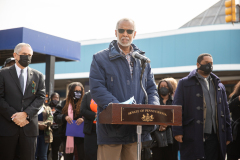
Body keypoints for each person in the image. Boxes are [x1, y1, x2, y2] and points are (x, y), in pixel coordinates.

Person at [89, 18, 159, 160]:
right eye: (122, 30)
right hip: (111, 130)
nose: (125, 34)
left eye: (129, 31)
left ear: (135, 34)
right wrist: (121, 109)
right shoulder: (100, 58)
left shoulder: (143, 60)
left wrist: (154, 109)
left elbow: (151, 88)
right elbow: (97, 88)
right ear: (116, 32)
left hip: (135, 131)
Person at [172, 53, 232, 160]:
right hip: (193, 133)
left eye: (211, 63)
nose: (209, 65)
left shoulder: (219, 85)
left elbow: (225, 111)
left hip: (215, 136)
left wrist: (228, 134)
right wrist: (177, 132)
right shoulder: (184, 83)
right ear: (198, 64)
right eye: (206, 63)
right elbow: (177, 109)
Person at [0, 43, 45, 160]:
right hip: (7, 128)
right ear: (15, 55)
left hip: (29, 129)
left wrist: (26, 114)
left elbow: (40, 97)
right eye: (24, 54)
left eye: (30, 55)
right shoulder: (3, 74)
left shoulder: (38, 76)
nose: (27, 57)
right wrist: (14, 116)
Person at [54, 82, 85, 160]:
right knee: (68, 157)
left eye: (80, 91)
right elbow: (56, 116)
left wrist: (83, 119)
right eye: (76, 91)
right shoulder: (64, 103)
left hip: (82, 137)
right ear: (71, 92)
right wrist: (64, 117)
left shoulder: (84, 103)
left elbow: (91, 116)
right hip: (67, 136)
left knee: (82, 156)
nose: (78, 93)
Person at [151, 79, 178, 160]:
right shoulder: (155, 102)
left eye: (165, 86)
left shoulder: (174, 101)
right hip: (157, 138)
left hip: (172, 138)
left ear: (169, 88)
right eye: (161, 86)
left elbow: (178, 116)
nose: (163, 88)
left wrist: (167, 124)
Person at [80, 90, 98, 160]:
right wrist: (95, 115)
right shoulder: (87, 95)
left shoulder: (107, 94)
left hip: (104, 130)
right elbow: (83, 110)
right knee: (90, 154)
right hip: (91, 130)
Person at [226, 81, 240, 160]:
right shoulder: (235, 96)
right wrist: (237, 99)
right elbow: (227, 109)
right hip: (236, 132)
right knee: (232, 155)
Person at [49, 92, 63, 160]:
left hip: (58, 131)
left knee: (56, 149)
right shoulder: (47, 107)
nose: (55, 99)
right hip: (48, 131)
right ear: (51, 98)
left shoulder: (61, 107)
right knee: (47, 150)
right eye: (54, 98)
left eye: (57, 98)